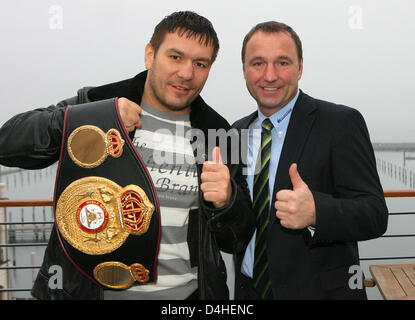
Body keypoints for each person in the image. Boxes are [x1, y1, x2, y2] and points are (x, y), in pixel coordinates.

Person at [0, 11, 254, 300]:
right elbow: (8, 144)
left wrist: (227, 201)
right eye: (175, 57)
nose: (186, 73)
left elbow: (238, 238)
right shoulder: (97, 104)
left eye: (200, 63)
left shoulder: (218, 132)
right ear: (150, 55)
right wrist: (92, 120)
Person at [233, 21, 388, 300]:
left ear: (300, 67)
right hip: (249, 292)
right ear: (244, 69)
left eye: (282, 62)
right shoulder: (236, 132)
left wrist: (317, 212)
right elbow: (238, 224)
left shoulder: (340, 123)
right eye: (258, 63)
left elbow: (375, 214)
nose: (270, 75)